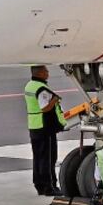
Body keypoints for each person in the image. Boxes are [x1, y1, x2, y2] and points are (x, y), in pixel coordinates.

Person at [24, 66, 66, 196]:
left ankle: (39, 185)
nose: (48, 73)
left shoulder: (29, 85)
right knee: (48, 158)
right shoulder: (41, 89)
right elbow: (45, 108)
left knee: (38, 158)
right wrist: (54, 100)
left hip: (34, 125)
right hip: (44, 127)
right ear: (40, 73)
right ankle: (49, 187)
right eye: (46, 71)